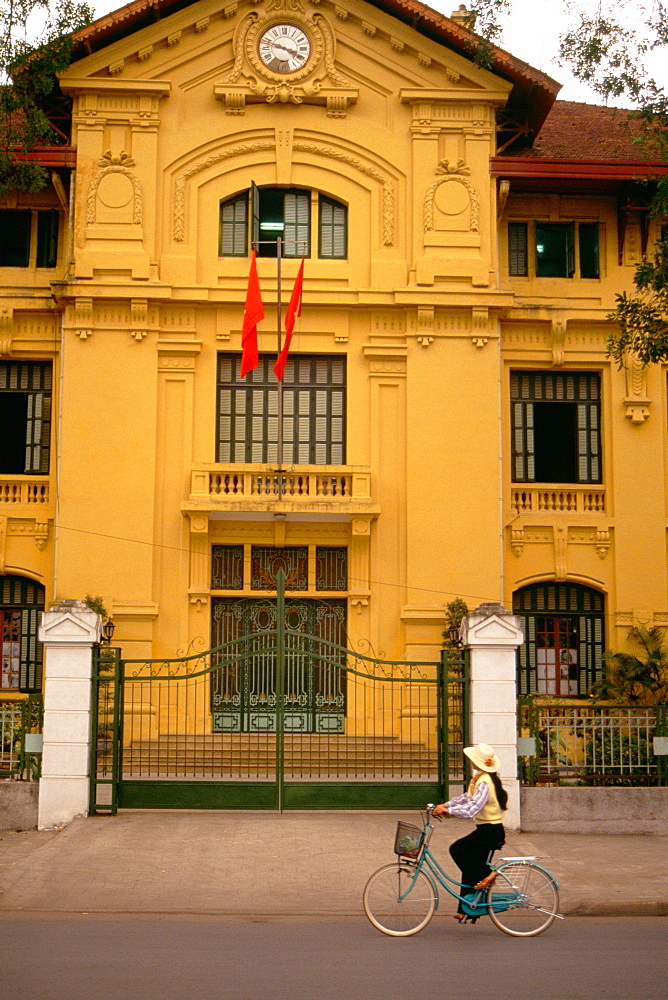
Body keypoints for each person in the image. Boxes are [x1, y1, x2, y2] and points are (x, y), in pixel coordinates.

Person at [432, 742, 508, 923]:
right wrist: (446, 805)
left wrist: (448, 812)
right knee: (469, 867)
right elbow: (466, 798)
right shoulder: (480, 779)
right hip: (485, 829)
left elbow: (472, 809)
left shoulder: (485, 782)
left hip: (491, 831)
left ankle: (491, 874)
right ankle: (466, 909)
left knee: (458, 850)